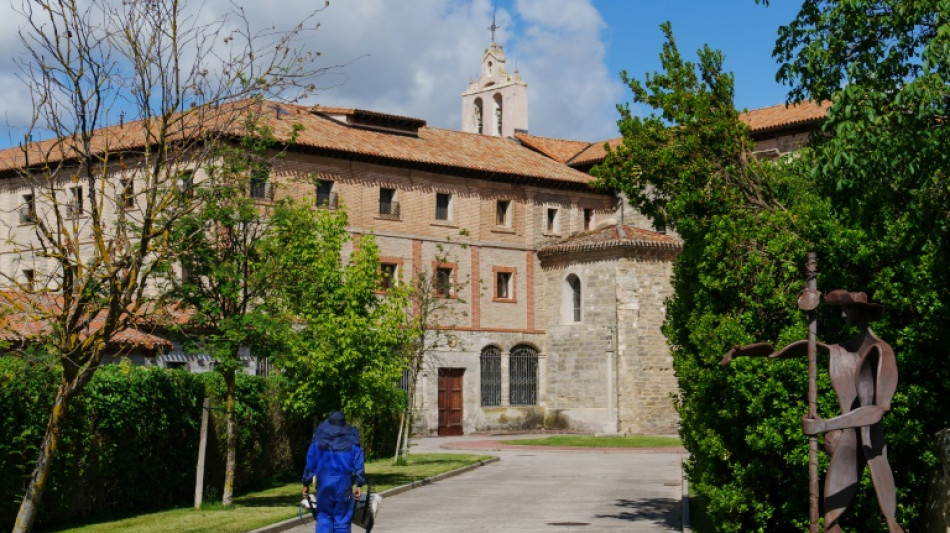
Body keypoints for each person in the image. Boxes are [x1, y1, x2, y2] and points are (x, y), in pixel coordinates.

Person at [721, 290, 904, 533]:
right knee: (830, 524)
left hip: (871, 444)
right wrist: (741, 351)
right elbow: (787, 350)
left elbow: (879, 410)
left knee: (890, 521)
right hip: (848, 441)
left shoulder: (882, 351)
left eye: (847, 308)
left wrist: (825, 425)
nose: (842, 314)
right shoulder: (841, 350)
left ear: (862, 312)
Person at [302, 410, 366, 533]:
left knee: (324, 518)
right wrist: (359, 484)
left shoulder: (317, 441)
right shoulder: (352, 440)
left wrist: (306, 483)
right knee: (342, 520)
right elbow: (359, 463)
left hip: (324, 485)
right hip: (344, 485)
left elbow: (310, 464)